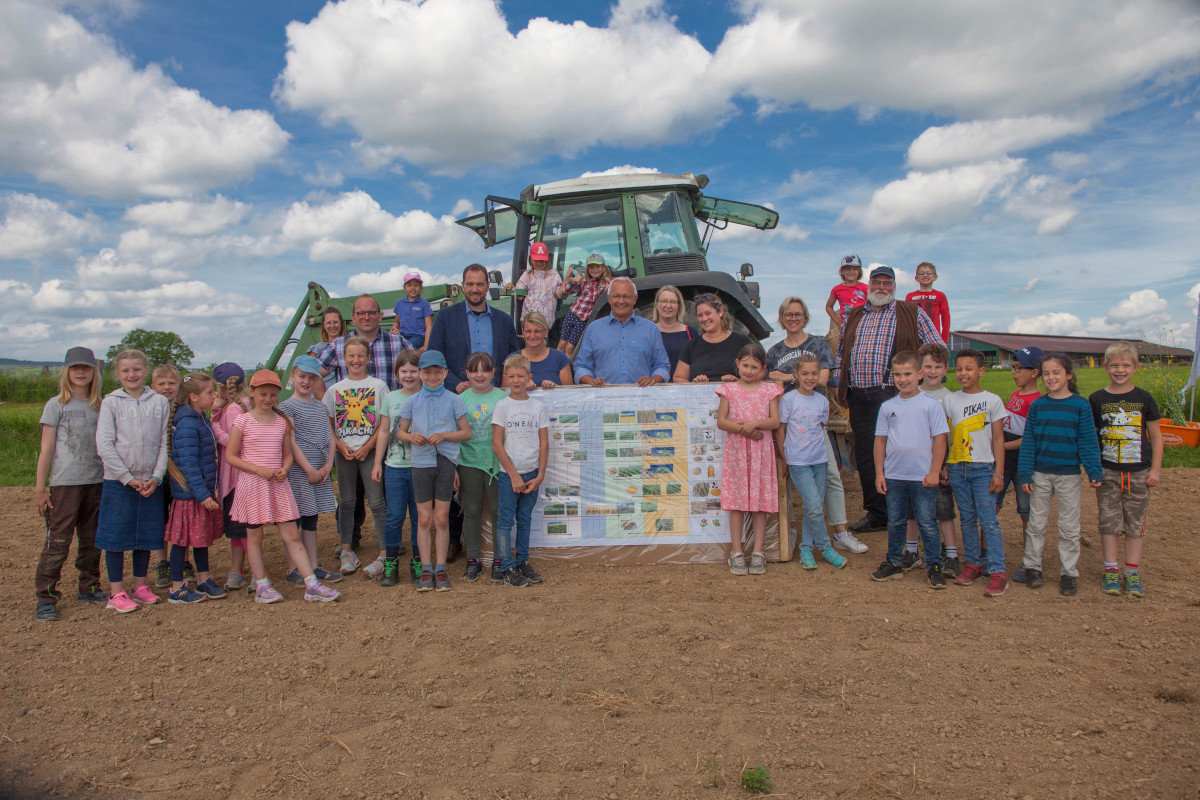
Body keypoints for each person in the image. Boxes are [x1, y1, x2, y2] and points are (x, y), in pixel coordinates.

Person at [834, 264, 944, 534]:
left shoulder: (910, 312)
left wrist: (927, 376)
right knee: (867, 456)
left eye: (887, 283)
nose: (882, 287)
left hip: (894, 394)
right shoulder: (855, 315)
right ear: (868, 284)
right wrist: (838, 380)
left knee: (899, 451)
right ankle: (877, 513)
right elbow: (841, 352)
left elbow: (936, 346)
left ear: (894, 286)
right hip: (859, 395)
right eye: (877, 282)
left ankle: (906, 513)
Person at [227, 370, 340, 604]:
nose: (268, 399)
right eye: (262, 394)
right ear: (252, 393)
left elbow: (287, 455)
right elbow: (231, 456)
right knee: (255, 537)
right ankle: (262, 586)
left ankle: (311, 584)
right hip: (254, 486)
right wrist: (257, 470)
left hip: (277, 485)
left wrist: (285, 469)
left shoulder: (281, 422)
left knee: (291, 535)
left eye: (272, 395)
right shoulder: (243, 421)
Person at [766, 296, 863, 555]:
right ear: (782, 318)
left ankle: (841, 532)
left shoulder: (818, 343)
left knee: (831, 476)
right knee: (784, 477)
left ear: (805, 317)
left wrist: (787, 376)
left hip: (813, 424)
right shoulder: (774, 351)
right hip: (786, 423)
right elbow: (768, 385)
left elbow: (822, 378)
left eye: (798, 314)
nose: (794, 318)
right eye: (788, 314)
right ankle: (789, 531)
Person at [1016, 354, 1103, 597]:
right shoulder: (1038, 405)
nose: (1051, 377)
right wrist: (1025, 473)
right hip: (1040, 475)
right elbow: (1029, 442)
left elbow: (1087, 440)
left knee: (1068, 526)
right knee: (1036, 524)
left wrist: (1093, 470)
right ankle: (1033, 566)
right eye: (1046, 373)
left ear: (1068, 375)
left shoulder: (1080, 405)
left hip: (1068, 476)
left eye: (1056, 372)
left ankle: (1069, 572)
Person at [33, 346, 106, 621]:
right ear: (66, 371)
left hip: (96, 480)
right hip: (65, 483)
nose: (80, 372)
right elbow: (47, 448)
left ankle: (89, 587)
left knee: (91, 538)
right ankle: (46, 596)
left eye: (86, 368)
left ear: (93, 371)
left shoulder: (101, 405)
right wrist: (41, 487)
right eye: (75, 368)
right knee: (59, 539)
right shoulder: (56, 405)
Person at [95, 349, 170, 613]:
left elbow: (163, 443)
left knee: (146, 535)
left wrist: (157, 476)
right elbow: (104, 445)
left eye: (136, 369)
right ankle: (116, 592)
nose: (131, 375)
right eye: (125, 370)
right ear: (118, 373)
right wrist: (127, 478)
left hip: (150, 482)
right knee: (115, 537)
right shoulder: (111, 403)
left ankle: (140, 586)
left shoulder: (159, 402)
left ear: (145, 371)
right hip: (119, 482)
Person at [869, 351, 949, 589]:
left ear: (920, 374)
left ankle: (934, 565)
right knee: (895, 521)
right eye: (897, 374)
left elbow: (940, 440)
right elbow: (880, 441)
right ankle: (894, 561)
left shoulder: (931, 406)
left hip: (922, 476)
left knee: (927, 522)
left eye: (908, 374)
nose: (902, 379)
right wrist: (880, 473)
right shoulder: (887, 407)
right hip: (894, 476)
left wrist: (935, 470)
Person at [1089, 342, 1162, 597]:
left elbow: (1156, 436)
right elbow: (1092, 437)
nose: (1120, 370)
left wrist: (1155, 470)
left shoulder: (1144, 398)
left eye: (1126, 365)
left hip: (1139, 472)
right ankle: (1110, 570)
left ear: (1136, 368)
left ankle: (1131, 572)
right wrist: (1093, 470)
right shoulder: (1097, 399)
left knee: (1134, 524)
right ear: (1106, 366)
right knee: (1108, 523)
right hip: (1108, 471)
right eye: (1115, 365)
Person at [397, 350, 471, 592]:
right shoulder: (412, 401)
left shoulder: (453, 400)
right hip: (420, 464)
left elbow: (466, 432)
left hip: (445, 462)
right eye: (427, 372)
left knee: (441, 518)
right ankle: (425, 569)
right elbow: (400, 433)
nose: (432, 377)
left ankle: (441, 568)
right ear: (420, 374)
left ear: (445, 373)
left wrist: (444, 436)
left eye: (437, 372)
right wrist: (411, 437)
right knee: (424, 519)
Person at [942, 348, 1009, 596]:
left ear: (981, 370)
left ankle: (998, 570)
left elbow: (998, 439)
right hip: (957, 467)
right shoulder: (949, 400)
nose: (963, 373)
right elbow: (945, 437)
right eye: (959, 369)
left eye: (969, 368)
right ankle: (973, 564)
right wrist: (945, 465)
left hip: (983, 467)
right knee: (967, 519)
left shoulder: (992, 401)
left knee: (989, 521)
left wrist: (999, 472)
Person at [324, 337, 390, 577]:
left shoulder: (379, 386)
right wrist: (340, 446)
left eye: (360, 355)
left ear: (369, 358)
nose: (356, 360)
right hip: (345, 453)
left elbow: (384, 422)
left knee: (376, 501)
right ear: (344, 358)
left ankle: (384, 551)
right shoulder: (334, 390)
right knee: (348, 501)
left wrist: (368, 446)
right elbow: (328, 423)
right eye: (351, 356)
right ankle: (346, 549)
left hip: (370, 451)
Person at [716, 343, 782, 576]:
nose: (749, 371)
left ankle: (758, 551)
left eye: (754, 367)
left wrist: (755, 424)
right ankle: (736, 551)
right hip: (737, 454)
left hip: (761, 454)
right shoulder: (729, 390)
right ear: (737, 364)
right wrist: (745, 429)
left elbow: (774, 421)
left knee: (759, 503)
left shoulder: (769, 390)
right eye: (745, 366)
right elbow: (722, 421)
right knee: (737, 502)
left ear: (763, 369)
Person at [775, 353, 846, 570]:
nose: (810, 377)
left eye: (814, 373)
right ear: (796, 374)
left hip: (820, 460)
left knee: (812, 506)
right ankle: (825, 547)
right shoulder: (788, 400)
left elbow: (820, 429)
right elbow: (781, 429)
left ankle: (806, 548)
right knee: (814, 506)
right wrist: (784, 456)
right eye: (805, 373)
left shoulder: (822, 401)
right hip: (798, 462)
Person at [163, 373, 226, 604]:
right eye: (209, 393)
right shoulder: (189, 423)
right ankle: (177, 587)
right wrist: (202, 494)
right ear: (193, 397)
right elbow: (189, 464)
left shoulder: (199, 416)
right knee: (181, 542)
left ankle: (203, 579)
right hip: (190, 495)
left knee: (201, 539)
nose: (214, 396)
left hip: (200, 493)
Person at [280, 356, 342, 588]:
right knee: (294, 520)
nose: (306, 381)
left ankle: (313, 564)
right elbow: (291, 441)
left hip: (320, 471)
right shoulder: (287, 407)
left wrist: (327, 467)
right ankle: (293, 567)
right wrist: (308, 469)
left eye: (311, 377)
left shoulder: (320, 406)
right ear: (293, 377)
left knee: (311, 518)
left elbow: (330, 438)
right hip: (299, 473)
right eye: (302, 376)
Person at [491, 354, 549, 588]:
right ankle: (506, 567)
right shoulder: (502, 405)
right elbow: (496, 443)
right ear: (505, 378)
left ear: (529, 378)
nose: (516, 380)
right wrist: (513, 474)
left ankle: (522, 561)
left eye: (521, 376)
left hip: (532, 473)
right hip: (508, 476)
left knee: (524, 520)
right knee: (505, 521)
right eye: (511, 376)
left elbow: (544, 442)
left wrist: (540, 475)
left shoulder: (538, 406)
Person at [902, 343, 959, 575]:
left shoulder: (951, 399)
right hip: (913, 461)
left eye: (938, 366)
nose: (933, 371)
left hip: (940, 460)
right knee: (912, 511)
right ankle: (912, 551)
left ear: (946, 369)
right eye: (928, 366)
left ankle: (952, 554)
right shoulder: (909, 394)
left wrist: (946, 464)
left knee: (943, 509)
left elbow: (953, 435)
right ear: (920, 369)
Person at [427, 264, 521, 391]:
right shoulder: (445, 317)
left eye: (480, 284)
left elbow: (514, 360)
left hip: (496, 399)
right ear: (463, 286)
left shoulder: (505, 321)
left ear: (488, 286)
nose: (475, 289)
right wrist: (455, 384)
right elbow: (434, 357)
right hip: (458, 398)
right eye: (470, 284)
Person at [456, 352, 508, 582]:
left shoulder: (503, 397)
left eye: (485, 370)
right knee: (472, 511)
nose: (480, 375)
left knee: (498, 512)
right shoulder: (460, 399)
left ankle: (500, 559)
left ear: (493, 373)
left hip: (497, 464)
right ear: (467, 373)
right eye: (474, 370)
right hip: (469, 462)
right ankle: (473, 560)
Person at [375, 350, 422, 586]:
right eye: (404, 371)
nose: (409, 375)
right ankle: (391, 564)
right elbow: (384, 431)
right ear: (397, 374)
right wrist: (377, 463)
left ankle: (417, 562)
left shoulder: (427, 397)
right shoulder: (391, 398)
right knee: (394, 517)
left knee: (418, 517)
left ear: (421, 373)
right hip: (394, 466)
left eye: (414, 371)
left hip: (420, 468)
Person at [573, 277, 670, 387]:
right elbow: (581, 366)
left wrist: (652, 380)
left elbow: (662, 366)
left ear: (635, 299)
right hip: (603, 398)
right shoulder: (594, 329)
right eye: (616, 296)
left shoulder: (651, 329)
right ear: (609, 298)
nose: (621, 301)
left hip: (642, 398)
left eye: (627, 296)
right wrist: (592, 382)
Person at [1000, 346, 1045, 583]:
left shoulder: (1037, 401)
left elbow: (1029, 439)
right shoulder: (1016, 395)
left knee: (1026, 512)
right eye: (1013, 367)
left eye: (1019, 368)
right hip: (1004, 461)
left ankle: (1030, 560)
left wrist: (1000, 447)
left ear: (1035, 373)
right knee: (992, 506)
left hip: (1022, 463)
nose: (1014, 372)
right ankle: (987, 556)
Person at [211, 363, 252, 592]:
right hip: (235, 477)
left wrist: (214, 423)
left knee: (242, 528)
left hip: (236, 478)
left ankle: (258, 572)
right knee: (236, 529)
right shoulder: (238, 406)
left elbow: (233, 442)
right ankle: (236, 570)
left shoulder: (237, 409)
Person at [150, 363, 181, 588]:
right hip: (157, 472)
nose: (166, 387)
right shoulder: (150, 409)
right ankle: (162, 562)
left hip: (180, 472)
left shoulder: (185, 409)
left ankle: (184, 560)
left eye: (171, 383)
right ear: (153, 386)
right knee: (159, 518)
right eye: (161, 383)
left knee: (182, 517)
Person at [672, 294, 751, 383]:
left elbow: (759, 372)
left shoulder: (742, 342)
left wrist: (738, 382)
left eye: (708, 313)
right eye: (700, 315)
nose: (704, 319)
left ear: (720, 311)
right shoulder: (692, 345)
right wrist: (694, 385)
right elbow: (679, 377)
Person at [556, 253, 612, 356]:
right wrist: (572, 281)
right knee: (562, 344)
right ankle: (556, 367)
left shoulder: (606, 283)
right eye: (591, 267)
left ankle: (568, 370)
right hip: (572, 314)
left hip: (583, 319)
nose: (594, 269)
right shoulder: (584, 281)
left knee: (570, 347)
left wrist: (611, 286)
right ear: (587, 269)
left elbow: (621, 280)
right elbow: (566, 291)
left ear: (604, 267)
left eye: (598, 266)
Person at [507, 242, 562, 324]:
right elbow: (520, 296)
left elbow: (559, 294)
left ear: (547, 259)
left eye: (542, 260)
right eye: (536, 260)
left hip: (545, 319)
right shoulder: (527, 275)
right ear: (531, 260)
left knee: (542, 336)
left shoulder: (554, 274)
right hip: (530, 318)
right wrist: (511, 287)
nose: (539, 263)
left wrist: (567, 280)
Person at [651, 285, 697, 379]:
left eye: (673, 302)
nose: (668, 305)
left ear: (679, 305)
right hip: (655, 389)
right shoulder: (649, 332)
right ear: (656, 304)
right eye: (664, 301)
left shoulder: (691, 333)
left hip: (684, 389)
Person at [520, 312, 573, 389]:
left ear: (546, 332)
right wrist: (521, 388)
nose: (532, 336)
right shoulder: (512, 360)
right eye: (528, 331)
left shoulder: (560, 358)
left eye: (537, 331)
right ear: (523, 332)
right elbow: (505, 395)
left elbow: (570, 394)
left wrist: (555, 388)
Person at [388, 269, 435, 351]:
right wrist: (393, 331)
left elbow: (429, 326)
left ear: (421, 287)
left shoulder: (425, 305)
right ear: (405, 287)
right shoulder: (400, 303)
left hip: (418, 336)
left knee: (407, 347)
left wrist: (426, 344)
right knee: (391, 345)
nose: (413, 288)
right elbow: (396, 322)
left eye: (416, 285)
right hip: (402, 335)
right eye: (409, 285)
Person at [906, 262, 950, 342]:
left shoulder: (940, 295)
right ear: (916, 278)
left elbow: (946, 318)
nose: (925, 275)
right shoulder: (910, 296)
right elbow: (906, 318)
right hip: (915, 337)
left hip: (934, 337)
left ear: (935, 277)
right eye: (921, 273)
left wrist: (944, 339)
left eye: (929, 273)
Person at [308, 307, 346, 399]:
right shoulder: (316, 349)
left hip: (343, 396)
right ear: (324, 326)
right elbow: (310, 376)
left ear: (341, 324)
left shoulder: (349, 346)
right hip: (321, 398)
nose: (332, 326)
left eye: (335, 322)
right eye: (329, 323)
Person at [824, 254, 867, 336]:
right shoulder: (836, 289)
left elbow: (872, 306)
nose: (851, 272)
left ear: (859, 271)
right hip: (847, 328)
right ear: (842, 271)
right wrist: (838, 323)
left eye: (855, 269)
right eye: (848, 269)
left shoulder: (865, 288)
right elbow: (828, 307)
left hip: (863, 327)